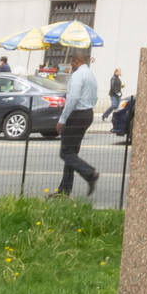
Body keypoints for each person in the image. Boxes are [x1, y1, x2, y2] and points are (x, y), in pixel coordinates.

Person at [50, 52, 99, 199]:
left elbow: (73, 97)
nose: (70, 65)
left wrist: (62, 119)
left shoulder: (78, 75)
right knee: (71, 153)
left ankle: (89, 173)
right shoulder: (90, 75)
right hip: (86, 114)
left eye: (71, 62)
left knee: (65, 153)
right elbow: (94, 96)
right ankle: (64, 191)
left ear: (76, 61)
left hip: (77, 116)